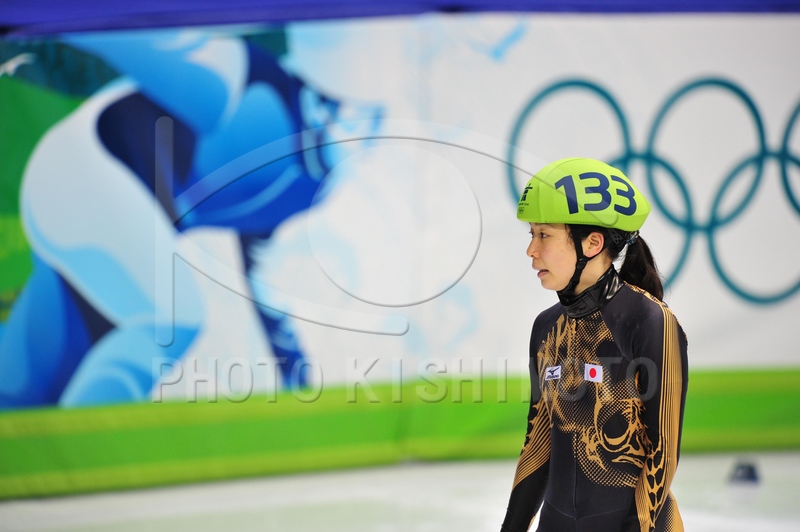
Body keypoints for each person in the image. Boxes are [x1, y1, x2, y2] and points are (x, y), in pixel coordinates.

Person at [501, 158, 688, 532]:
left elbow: (662, 452)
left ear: (592, 242)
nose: (531, 250)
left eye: (544, 235)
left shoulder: (649, 321)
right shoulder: (546, 328)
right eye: (531, 234)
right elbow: (537, 444)